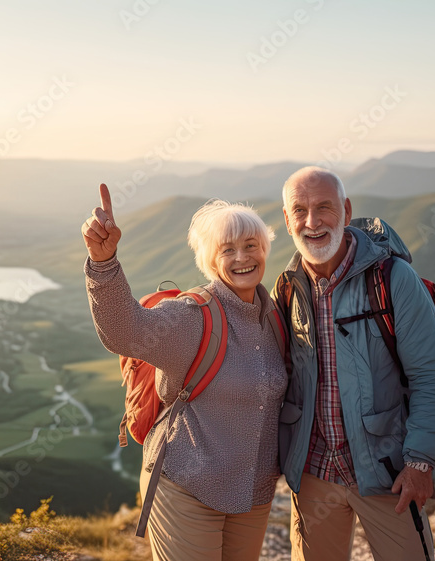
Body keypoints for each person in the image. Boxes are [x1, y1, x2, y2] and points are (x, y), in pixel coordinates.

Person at [81, 183, 287, 561]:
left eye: (251, 245)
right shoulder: (192, 317)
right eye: (227, 250)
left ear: (265, 250)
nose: (242, 257)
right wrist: (104, 262)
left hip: (252, 496)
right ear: (210, 260)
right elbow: (124, 331)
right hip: (185, 488)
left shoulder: (274, 317)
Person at [273, 166, 435, 561]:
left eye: (324, 207)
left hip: (387, 475)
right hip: (314, 473)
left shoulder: (393, 279)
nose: (313, 221)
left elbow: (432, 375)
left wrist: (421, 462)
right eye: (299, 210)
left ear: (347, 210)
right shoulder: (287, 287)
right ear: (286, 220)